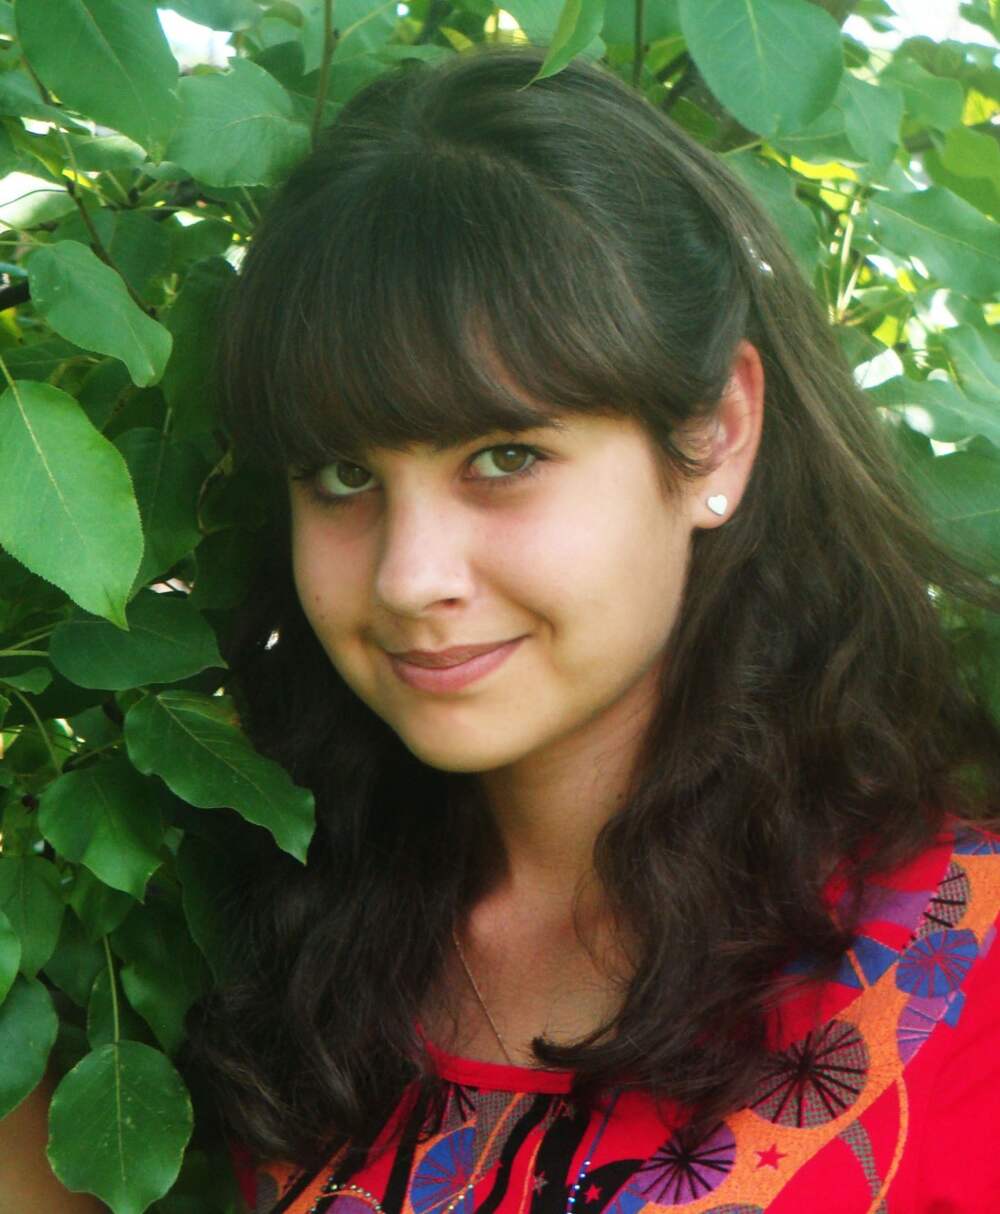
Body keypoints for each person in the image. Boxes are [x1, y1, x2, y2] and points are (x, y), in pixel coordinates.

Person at [186, 44, 1000, 1214]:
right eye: (342, 475)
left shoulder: (967, 976)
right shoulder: (262, 931)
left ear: (716, 433)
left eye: (503, 456)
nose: (410, 577)